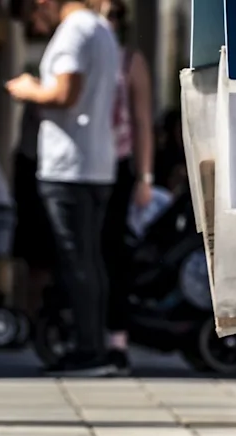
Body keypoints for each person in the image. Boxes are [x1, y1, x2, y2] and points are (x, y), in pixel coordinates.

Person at [7, 0, 121, 376]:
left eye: (33, 17)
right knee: (90, 259)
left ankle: (88, 350)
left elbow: (65, 94)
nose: (37, 26)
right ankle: (93, 344)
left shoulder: (73, 32)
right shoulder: (102, 29)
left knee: (75, 260)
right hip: (97, 162)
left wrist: (28, 89)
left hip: (69, 164)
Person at [95, 0, 154, 369]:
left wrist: (145, 175)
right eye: (101, 12)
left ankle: (117, 339)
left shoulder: (129, 60)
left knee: (114, 253)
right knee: (86, 254)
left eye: (114, 14)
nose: (108, 20)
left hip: (117, 165)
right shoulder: (83, 47)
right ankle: (84, 331)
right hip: (83, 168)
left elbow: (143, 120)